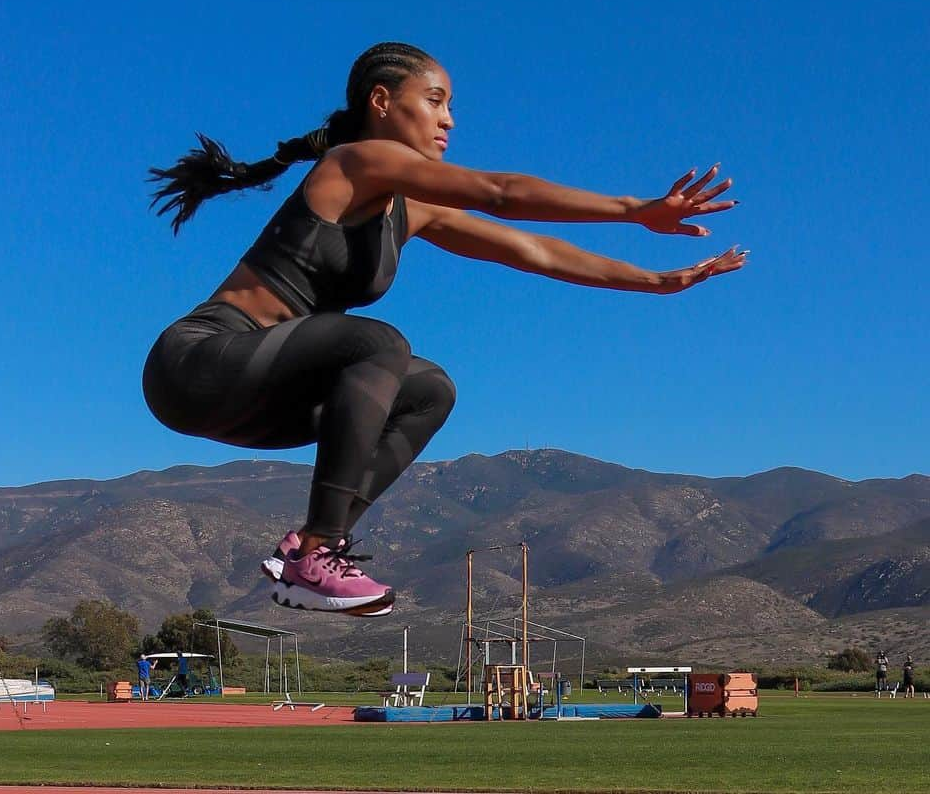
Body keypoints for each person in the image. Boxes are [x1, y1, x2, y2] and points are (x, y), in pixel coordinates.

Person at [143, 42, 747, 617]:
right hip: (199, 364)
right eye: (434, 101)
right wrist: (634, 210)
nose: (449, 120)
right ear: (381, 102)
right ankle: (318, 555)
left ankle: (310, 544)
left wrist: (657, 282)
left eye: (451, 106)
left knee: (429, 387)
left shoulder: (411, 207)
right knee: (378, 343)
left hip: (257, 397)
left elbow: (533, 251)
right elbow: (499, 192)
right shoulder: (354, 162)